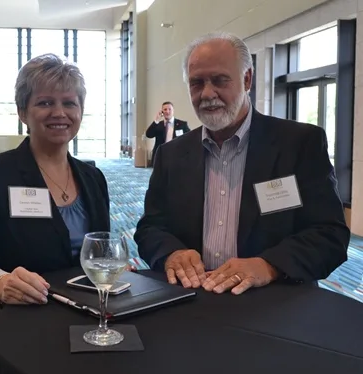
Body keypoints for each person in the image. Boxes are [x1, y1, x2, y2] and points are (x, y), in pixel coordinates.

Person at [0, 54, 112, 374]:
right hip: (3, 333)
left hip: (71, 326)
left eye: (70, 103)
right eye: (45, 102)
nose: (59, 112)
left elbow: (100, 251)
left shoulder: (93, 178)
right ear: (23, 112)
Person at [134, 32, 350, 296]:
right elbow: (150, 228)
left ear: (247, 79)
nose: (207, 93)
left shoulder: (299, 144)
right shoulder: (171, 154)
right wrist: (171, 253)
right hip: (192, 301)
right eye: (196, 83)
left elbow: (330, 235)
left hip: (273, 302)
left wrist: (269, 265)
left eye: (219, 80)